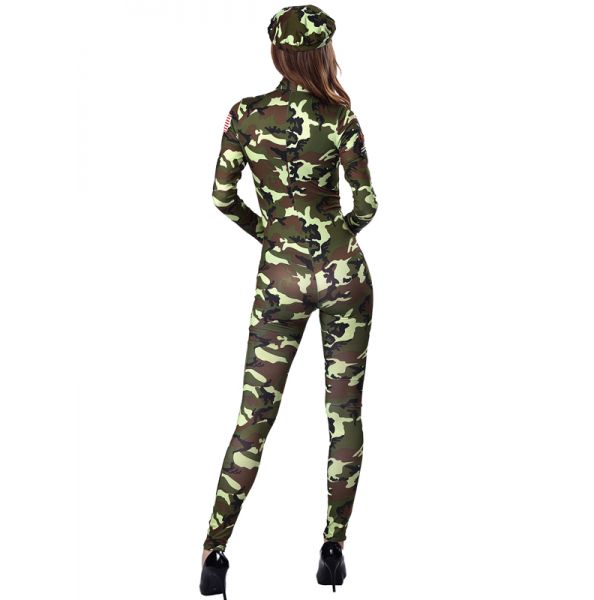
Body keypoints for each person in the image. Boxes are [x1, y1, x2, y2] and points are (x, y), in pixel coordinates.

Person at [200, 5, 378, 597]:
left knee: (254, 417)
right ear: (322, 53)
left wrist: (272, 235)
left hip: (280, 278)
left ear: (278, 53)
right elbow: (367, 204)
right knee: (343, 414)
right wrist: (337, 236)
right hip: (344, 273)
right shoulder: (340, 115)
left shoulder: (246, 116)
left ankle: (215, 553)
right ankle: (333, 549)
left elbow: (222, 196)